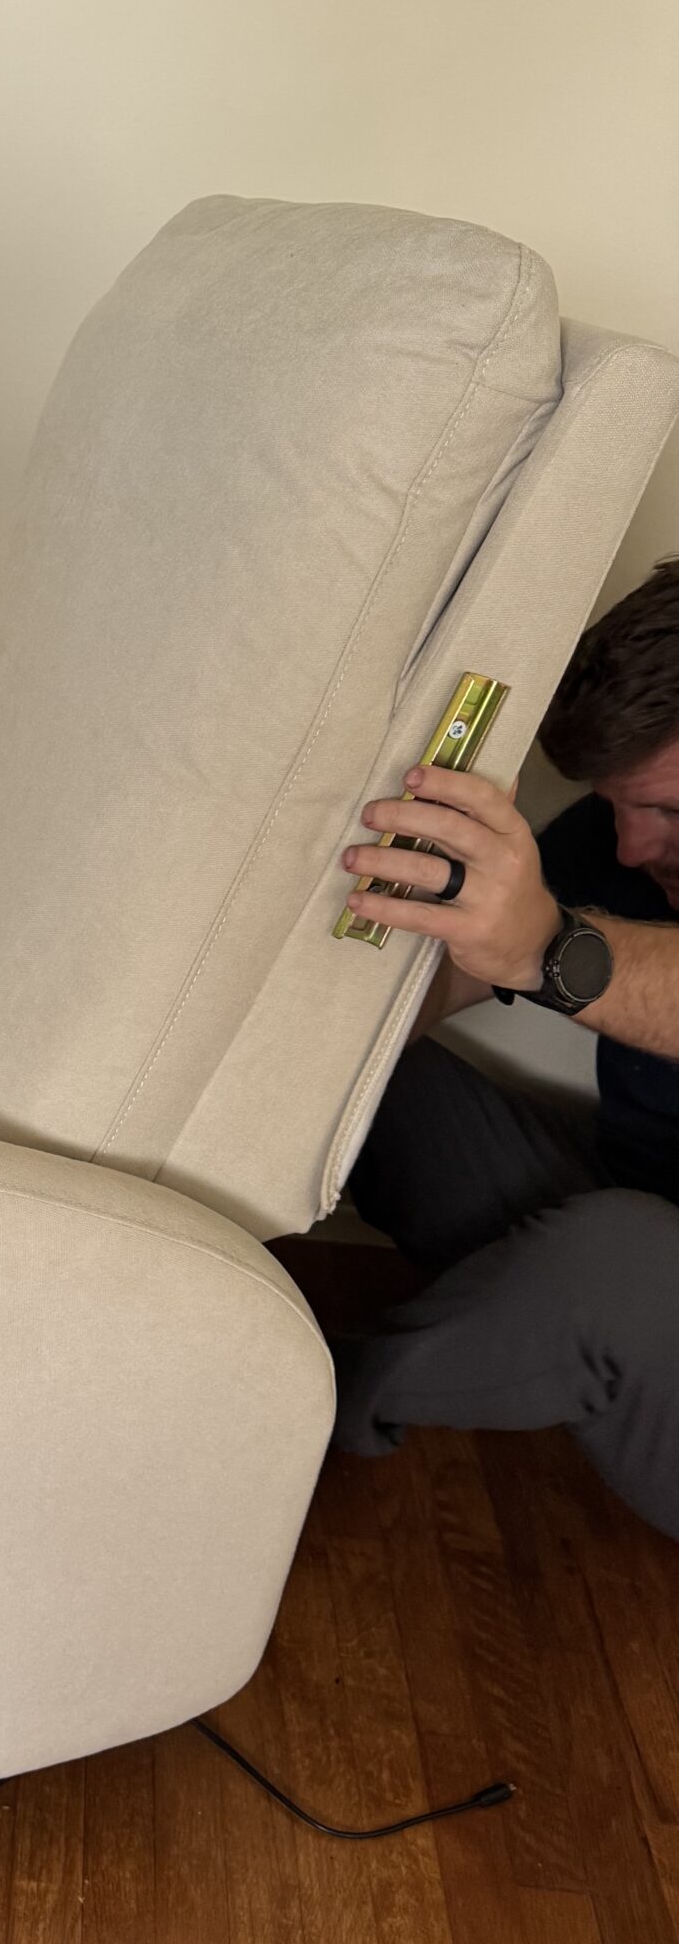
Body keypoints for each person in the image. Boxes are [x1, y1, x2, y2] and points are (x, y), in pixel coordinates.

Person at [329, 557, 679, 1538]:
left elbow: (547, 951)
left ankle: (290, 1388)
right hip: (625, 1220)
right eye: (617, 806)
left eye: (671, 812)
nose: (631, 849)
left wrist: (549, 946)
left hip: (633, 1273)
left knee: (615, 1255)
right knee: (366, 1077)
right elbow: (448, 981)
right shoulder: (625, 846)